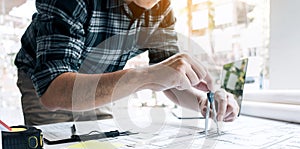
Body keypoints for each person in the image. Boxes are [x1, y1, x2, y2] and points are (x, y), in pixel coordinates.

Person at [15, 0, 239, 126]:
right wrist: (144, 76)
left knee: (99, 144)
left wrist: (202, 101)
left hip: (101, 77)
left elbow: (170, 79)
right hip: (43, 78)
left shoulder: (163, 10)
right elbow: (53, 92)